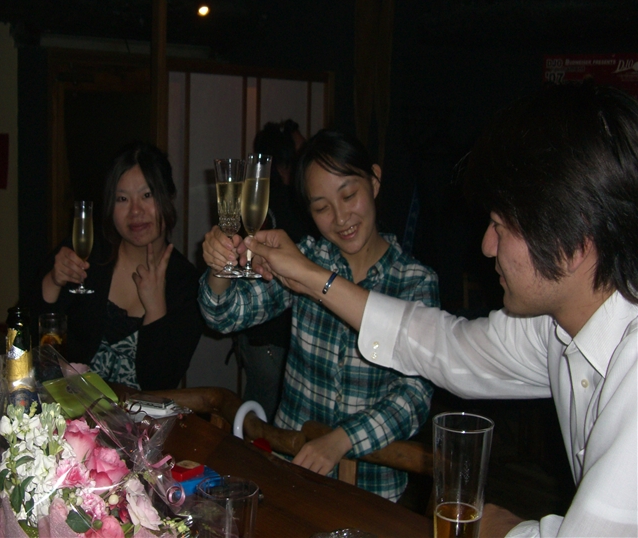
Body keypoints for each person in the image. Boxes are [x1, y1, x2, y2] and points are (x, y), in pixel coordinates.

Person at [243, 83, 638, 537]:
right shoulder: (554, 329)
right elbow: (443, 347)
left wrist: (503, 528)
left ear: (575, 237)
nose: (486, 246)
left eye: (500, 226)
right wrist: (312, 277)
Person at [199, 130, 439, 501]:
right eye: (322, 207)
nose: (341, 217)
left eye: (349, 195)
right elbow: (224, 315)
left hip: (372, 487)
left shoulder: (414, 281)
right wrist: (220, 268)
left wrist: (341, 439)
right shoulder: (307, 259)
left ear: (375, 180)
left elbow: (415, 396)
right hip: (292, 469)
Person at [31, 142, 203, 391]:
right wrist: (53, 281)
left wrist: (155, 309)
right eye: (122, 199)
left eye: (147, 195)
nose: (135, 211)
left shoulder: (186, 283)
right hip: (67, 408)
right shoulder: (85, 255)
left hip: (141, 415)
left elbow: (161, 384)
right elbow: (27, 334)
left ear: (169, 196)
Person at [234, 119, 312, 418]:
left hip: (254, 336)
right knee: (264, 421)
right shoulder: (289, 204)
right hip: (273, 338)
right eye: (302, 151)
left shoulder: (265, 199)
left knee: (255, 410)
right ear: (284, 161)